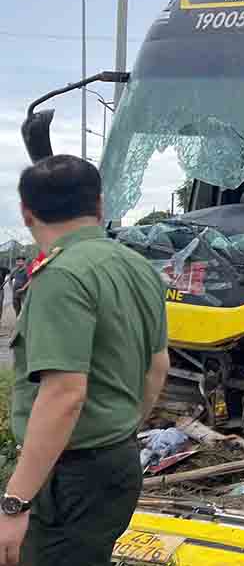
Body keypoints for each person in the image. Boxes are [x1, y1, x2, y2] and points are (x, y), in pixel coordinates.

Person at [1, 155, 169, 565]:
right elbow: (158, 365)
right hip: (117, 462)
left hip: (69, 477)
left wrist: (15, 503)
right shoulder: (138, 267)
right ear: (99, 206)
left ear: (26, 213)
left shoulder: (60, 276)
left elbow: (63, 395)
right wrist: (120, 427)